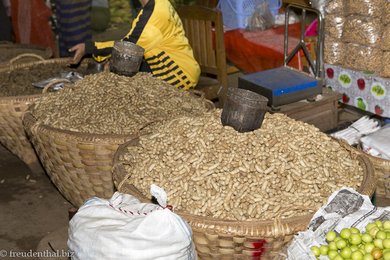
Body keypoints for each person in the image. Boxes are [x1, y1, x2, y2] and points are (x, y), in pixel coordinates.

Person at [69, 0, 200, 90]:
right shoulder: (160, 3)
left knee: (122, 88)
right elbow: (131, 40)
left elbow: (126, 48)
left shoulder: (153, 17)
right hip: (179, 65)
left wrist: (89, 48)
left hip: (179, 75)